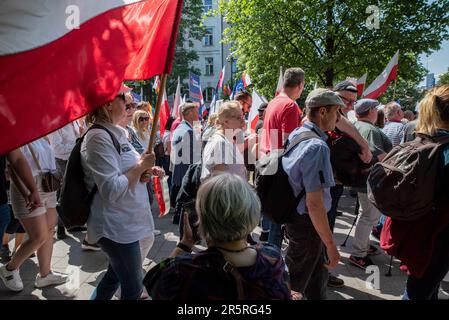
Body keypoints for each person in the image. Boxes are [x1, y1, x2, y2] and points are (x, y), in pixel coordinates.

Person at [147, 173, 292, 300]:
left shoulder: (182, 270)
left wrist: (185, 244)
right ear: (252, 214)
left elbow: (155, 281)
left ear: (203, 219)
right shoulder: (273, 258)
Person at [81, 88, 160, 300]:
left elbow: (127, 172)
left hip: (130, 222)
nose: (128, 100)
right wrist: (141, 166)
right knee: (133, 289)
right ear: (107, 103)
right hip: (116, 228)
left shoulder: (120, 132)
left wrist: (145, 172)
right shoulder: (97, 137)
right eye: (123, 97)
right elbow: (111, 190)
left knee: (112, 279)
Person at [282, 89, 343, 300]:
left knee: (316, 280)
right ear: (323, 112)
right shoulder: (317, 146)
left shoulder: (298, 134)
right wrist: (331, 244)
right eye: (337, 112)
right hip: (307, 226)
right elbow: (314, 203)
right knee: (289, 289)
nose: (339, 117)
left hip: (299, 221)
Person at [395, 85, 449, 300]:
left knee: (425, 286)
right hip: (438, 234)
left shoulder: (422, 140)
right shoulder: (444, 149)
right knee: (420, 290)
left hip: (414, 227)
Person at [1, 138, 69, 291]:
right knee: (38, 237)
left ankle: (45, 275)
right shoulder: (17, 134)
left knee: (50, 230)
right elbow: (13, 166)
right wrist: (27, 192)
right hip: (28, 185)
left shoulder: (41, 135)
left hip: (47, 184)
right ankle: (10, 269)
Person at [259, 67, 305, 249]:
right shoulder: (290, 105)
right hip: (279, 165)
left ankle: (269, 255)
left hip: (267, 159)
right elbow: (289, 141)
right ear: (300, 85)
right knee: (278, 219)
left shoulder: (273, 102)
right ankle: (273, 262)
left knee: (271, 217)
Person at [349, 99, 393, 269]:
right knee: (369, 217)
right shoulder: (369, 129)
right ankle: (358, 253)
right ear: (371, 111)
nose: (377, 111)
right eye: (376, 108)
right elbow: (373, 155)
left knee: (366, 214)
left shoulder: (356, 125)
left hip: (362, 179)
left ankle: (363, 246)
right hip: (370, 180)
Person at [49, 120, 84, 240]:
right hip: (62, 161)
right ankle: (60, 227)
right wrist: (77, 143)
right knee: (62, 194)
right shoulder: (56, 124)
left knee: (73, 192)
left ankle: (72, 224)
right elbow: (57, 148)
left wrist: (81, 137)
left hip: (74, 158)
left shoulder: (75, 121)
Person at [170, 103, 201, 225]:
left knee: (182, 201)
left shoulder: (181, 128)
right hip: (186, 169)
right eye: (196, 112)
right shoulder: (187, 130)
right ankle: (186, 228)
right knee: (187, 203)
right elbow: (192, 156)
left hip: (180, 168)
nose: (198, 115)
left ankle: (179, 220)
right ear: (189, 114)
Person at [201, 101, 247, 181]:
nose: (243, 121)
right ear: (226, 121)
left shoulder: (228, 140)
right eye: (239, 117)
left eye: (243, 117)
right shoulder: (220, 143)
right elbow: (218, 184)